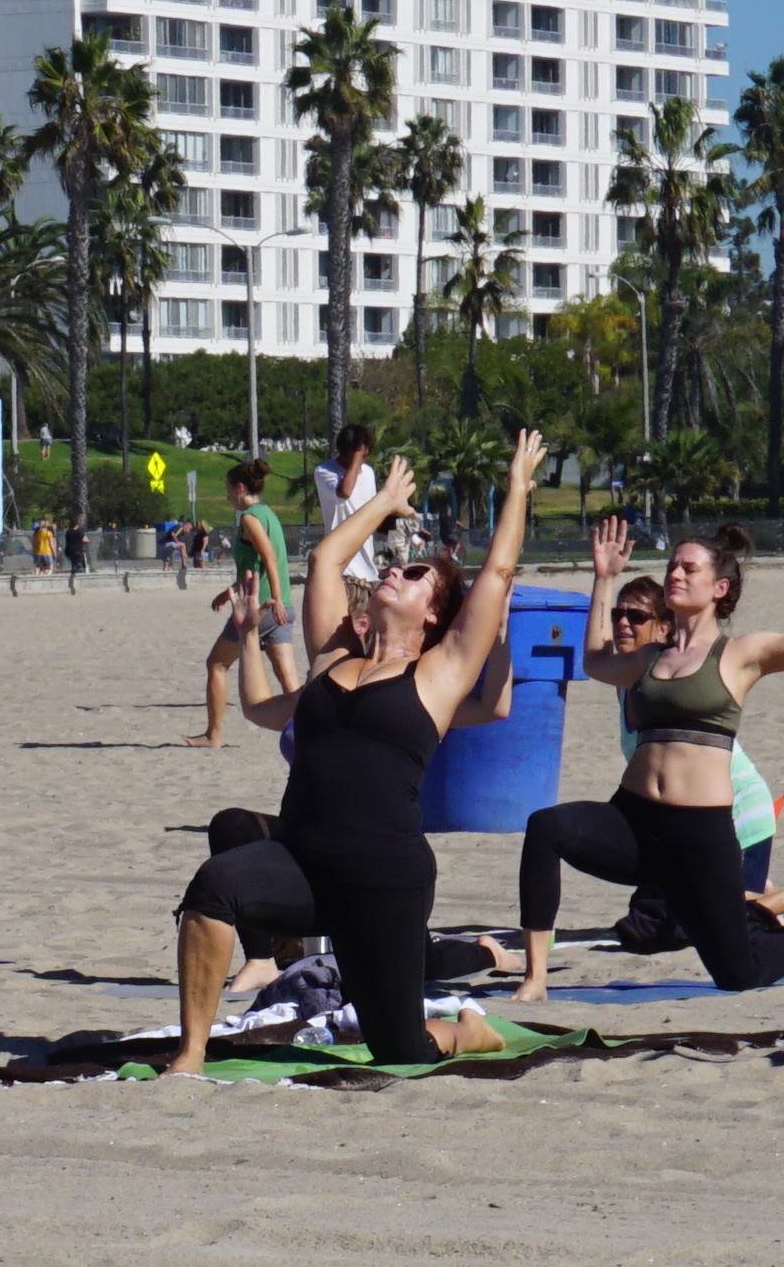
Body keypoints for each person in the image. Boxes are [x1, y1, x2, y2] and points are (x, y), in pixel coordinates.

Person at [170, 436, 548, 1071]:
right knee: (214, 887)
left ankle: (465, 1031)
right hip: (302, 860)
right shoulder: (332, 656)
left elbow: (498, 577)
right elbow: (324, 562)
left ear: (435, 617)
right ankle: (191, 1052)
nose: (395, 572)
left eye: (414, 576)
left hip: (385, 880)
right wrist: (380, 505)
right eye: (397, 568)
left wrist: (517, 490)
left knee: (398, 1048)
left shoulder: (440, 675)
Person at [513, 498, 784, 1003]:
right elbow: (594, 660)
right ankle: (536, 978)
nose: (674, 573)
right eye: (672, 565)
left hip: (698, 833)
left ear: (718, 589)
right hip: (634, 820)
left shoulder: (742, 654)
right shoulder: (649, 658)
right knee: (547, 828)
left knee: (737, 972)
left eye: (688, 567)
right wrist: (602, 578)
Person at [195, 458, 299, 744]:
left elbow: (269, 558)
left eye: (228, 490)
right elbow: (257, 567)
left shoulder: (249, 518)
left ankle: (212, 735)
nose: (227, 496)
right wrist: (229, 590)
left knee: (216, 664)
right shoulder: (269, 514)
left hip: (260, 608)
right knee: (290, 685)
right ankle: (309, 734)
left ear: (240, 488)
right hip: (283, 607)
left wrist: (273, 600)